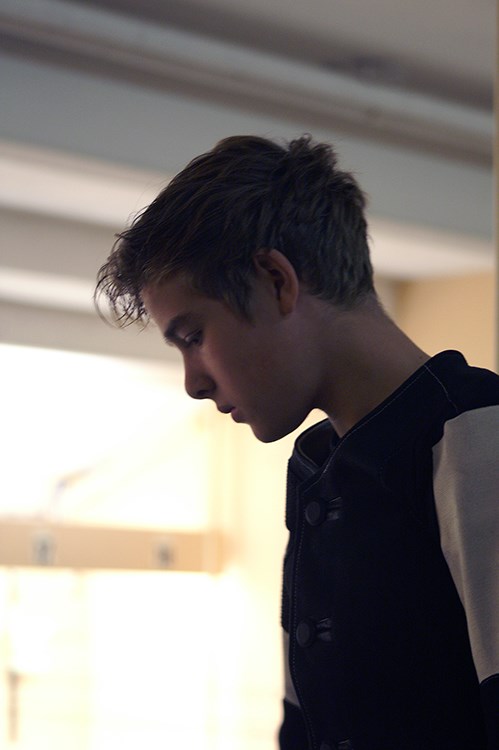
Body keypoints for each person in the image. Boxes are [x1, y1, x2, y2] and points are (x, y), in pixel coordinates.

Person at [95, 135, 499, 749]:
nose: (193, 383)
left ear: (277, 281)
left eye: (194, 336)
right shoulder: (317, 467)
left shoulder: (476, 432)